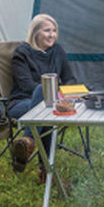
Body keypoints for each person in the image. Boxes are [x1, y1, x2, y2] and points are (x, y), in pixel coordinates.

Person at [7, 14, 76, 181]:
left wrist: (66, 93)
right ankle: (45, 170)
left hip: (50, 103)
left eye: (54, 31)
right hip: (23, 102)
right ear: (35, 33)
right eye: (47, 31)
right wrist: (52, 94)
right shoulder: (21, 54)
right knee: (41, 92)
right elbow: (26, 86)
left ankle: (28, 143)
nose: (52, 35)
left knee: (47, 112)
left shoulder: (57, 51)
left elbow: (69, 78)